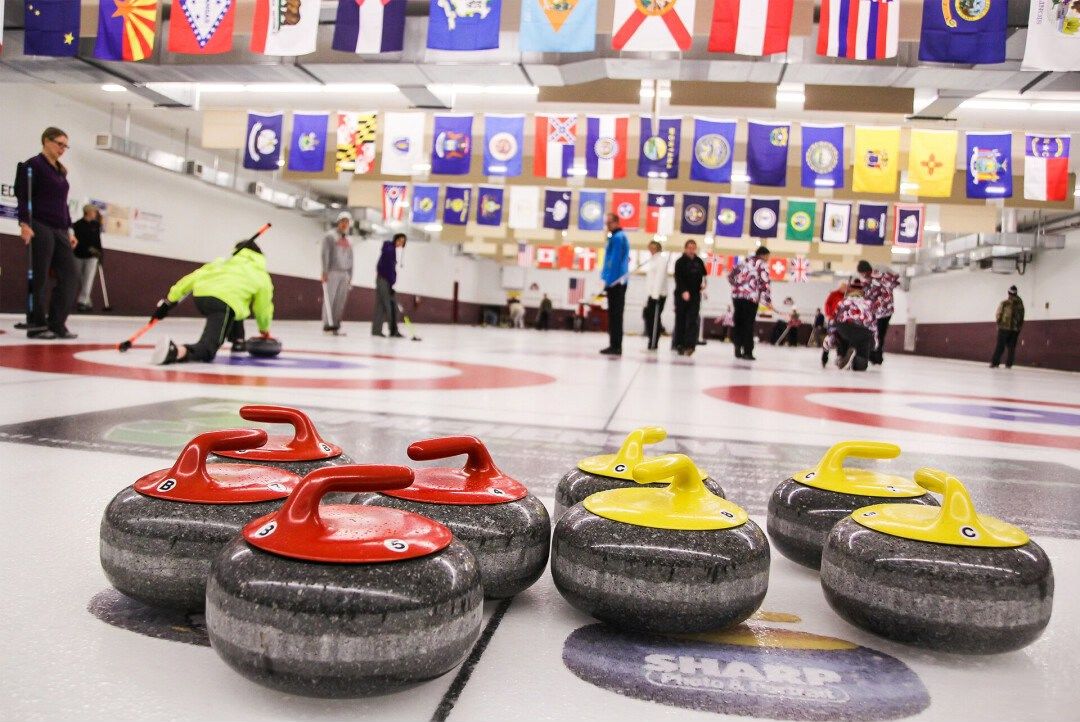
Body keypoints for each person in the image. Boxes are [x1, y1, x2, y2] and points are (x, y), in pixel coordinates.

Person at [150, 238, 274, 365]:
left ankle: (238, 341)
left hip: (201, 297)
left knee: (237, 304)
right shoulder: (260, 274)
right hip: (223, 303)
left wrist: (168, 302)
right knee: (208, 349)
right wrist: (264, 329)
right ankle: (175, 351)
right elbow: (262, 307)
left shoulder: (221, 263)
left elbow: (190, 279)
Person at [14, 126, 79, 339]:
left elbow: (63, 204)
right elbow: (24, 196)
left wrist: (69, 229)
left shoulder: (60, 170)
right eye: (59, 144)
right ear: (46, 141)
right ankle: (37, 325)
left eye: (65, 146)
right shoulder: (33, 165)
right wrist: (24, 223)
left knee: (71, 276)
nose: (62, 149)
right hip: (39, 225)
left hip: (59, 227)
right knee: (39, 276)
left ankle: (57, 323)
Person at [727, 246, 772, 360]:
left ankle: (737, 347)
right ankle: (747, 351)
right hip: (751, 298)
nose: (768, 259)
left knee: (738, 323)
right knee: (748, 324)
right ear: (763, 255)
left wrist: (738, 287)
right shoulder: (762, 265)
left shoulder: (743, 262)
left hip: (737, 297)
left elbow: (730, 276)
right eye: (767, 257)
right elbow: (765, 283)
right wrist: (767, 301)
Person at [827, 277, 877, 371]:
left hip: (845, 329)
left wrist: (832, 337)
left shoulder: (842, 302)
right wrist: (873, 343)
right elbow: (874, 324)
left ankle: (841, 356)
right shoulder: (869, 304)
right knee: (862, 362)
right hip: (864, 331)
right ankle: (858, 361)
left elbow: (833, 321)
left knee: (841, 336)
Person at [858, 260, 900, 365]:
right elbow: (895, 281)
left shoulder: (868, 281)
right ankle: (877, 357)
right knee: (880, 335)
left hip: (878, 312)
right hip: (886, 311)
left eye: (862, 273)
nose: (863, 275)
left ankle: (874, 356)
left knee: (875, 334)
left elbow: (865, 296)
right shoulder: (882, 276)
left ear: (865, 271)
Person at [599, 212, 629, 356]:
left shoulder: (618, 238)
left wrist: (609, 281)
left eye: (609, 223)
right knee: (614, 315)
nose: (607, 226)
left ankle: (616, 346)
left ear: (616, 222)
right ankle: (614, 344)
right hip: (615, 281)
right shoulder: (617, 237)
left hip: (616, 282)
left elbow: (615, 261)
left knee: (616, 315)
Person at [321, 211, 354, 336]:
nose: (344, 224)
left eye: (347, 222)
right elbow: (325, 254)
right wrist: (325, 271)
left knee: (340, 301)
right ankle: (327, 325)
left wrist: (350, 275)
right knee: (330, 299)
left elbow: (351, 259)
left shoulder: (349, 240)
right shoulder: (330, 236)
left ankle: (335, 325)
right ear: (338, 222)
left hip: (345, 273)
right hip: (332, 271)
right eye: (342, 221)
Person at [672, 239, 707, 356]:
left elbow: (704, 275)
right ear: (685, 248)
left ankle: (690, 345)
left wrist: (704, 285)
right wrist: (683, 291)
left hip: (695, 295)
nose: (692, 250)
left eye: (694, 248)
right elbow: (678, 278)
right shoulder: (680, 262)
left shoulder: (699, 261)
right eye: (690, 248)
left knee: (693, 320)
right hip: (682, 295)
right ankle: (679, 344)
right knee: (681, 320)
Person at [373, 232, 406, 337]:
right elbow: (385, 268)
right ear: (395, 239)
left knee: (381, 307)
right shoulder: (390, 250)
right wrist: (390, 283)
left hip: (385, 281)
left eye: (403, 242)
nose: (400, 243)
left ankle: (376, 331)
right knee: (391, 307)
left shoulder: (392, 251)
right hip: (384, 281)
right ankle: (393, 331)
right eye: (399, 240)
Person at [72, 204, 104, 313]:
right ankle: (86, 300)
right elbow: (77, 240)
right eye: (93, 211)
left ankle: (82, 301)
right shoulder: (77, 225)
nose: (95, 214)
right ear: (88, 212)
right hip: (79, 254)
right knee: (80, 279)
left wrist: (100, 254)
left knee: (88, 279)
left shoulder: (96, 225)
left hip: (92, 256)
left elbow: (98, 240)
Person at [642, 240, 668, 351]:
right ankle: (651, 340)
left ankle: (653, 343)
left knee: (654, 319)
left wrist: (655, 295)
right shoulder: (653, 260)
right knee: (647, 316)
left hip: (657, 295)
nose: (651, 250)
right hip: (651, 295)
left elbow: (659, 278)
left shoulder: (661, 260)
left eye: (653, 248)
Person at [990, 285, 1024, 369]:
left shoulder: (1005, 303)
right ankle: (1009, 364)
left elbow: (999, 314)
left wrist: (998, 324)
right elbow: (1022, 317)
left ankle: (995, 363)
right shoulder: (1020, 304)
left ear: (1008, 293)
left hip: (1004, 327)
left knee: (1000, 346)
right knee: (1011, 347)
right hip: (1015, 329)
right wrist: (1019, 327)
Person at [820, 281, 847, 367]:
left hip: (844, 322)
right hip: (833, 320)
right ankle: (824, 357)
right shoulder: (833, 294)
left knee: (842, 338)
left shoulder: (848, 296)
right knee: (831, 338)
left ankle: (841, 357)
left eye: (846, 287)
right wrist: (829, 315)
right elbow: (827, 304)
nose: (845, 288)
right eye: (843, 287)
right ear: (839, 287)